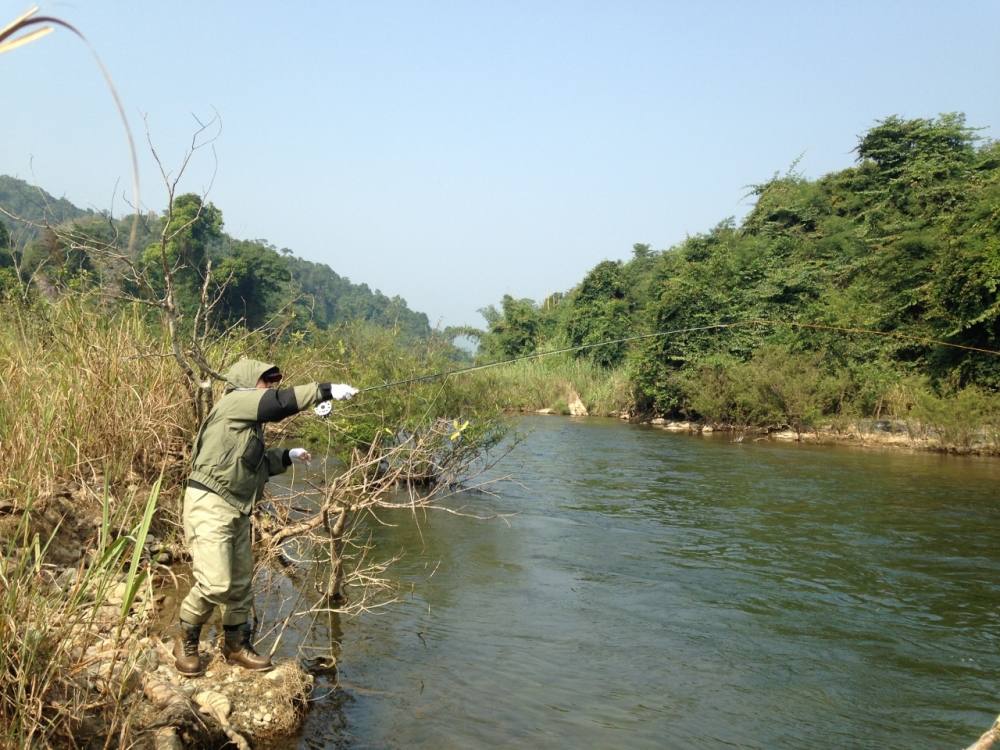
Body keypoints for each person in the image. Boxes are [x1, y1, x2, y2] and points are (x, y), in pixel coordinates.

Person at [173, 358, 357, 676]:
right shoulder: (234, 402)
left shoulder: (246, 425)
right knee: (216, 583)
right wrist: (326, 391)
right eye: (265, 381)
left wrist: (286, 456)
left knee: (241, 582)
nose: (270, 386)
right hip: (210, 504)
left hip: (236, 507)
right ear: (247, 383)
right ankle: (186, 639)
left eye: (272, 381)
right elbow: (279, 403)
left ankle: (234, 646)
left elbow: (250, 464)